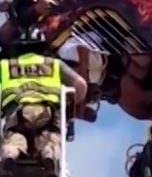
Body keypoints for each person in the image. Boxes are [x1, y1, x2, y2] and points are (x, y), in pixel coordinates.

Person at [0, 28, 88, 173]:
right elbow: (81, 84)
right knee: (50, 138)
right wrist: (74, 105)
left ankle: (10, 155)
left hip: (16, 112)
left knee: (14, 138)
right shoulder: (54, 64)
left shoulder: (5, 66)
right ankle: (49, 156)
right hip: (47, 112)